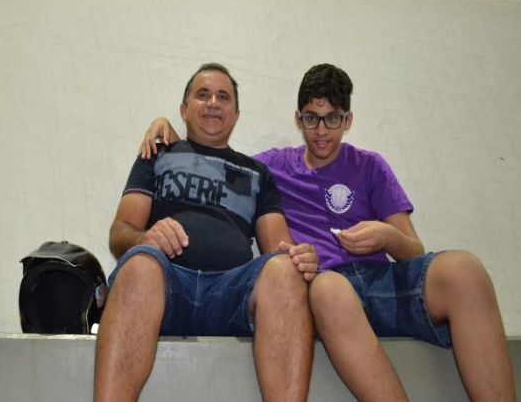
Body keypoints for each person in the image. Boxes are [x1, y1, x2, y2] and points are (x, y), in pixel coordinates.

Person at [139, 63, 516, 402]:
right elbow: (217, 158)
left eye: (332, 119)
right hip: (326, 289)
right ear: (298, 119)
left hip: (381, 282)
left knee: (464, 269)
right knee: (328, 289)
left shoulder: (370, 166)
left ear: (348, 120)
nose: (321, 131)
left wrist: (387, 237)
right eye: (311, 119)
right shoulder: (269, 168)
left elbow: (413, 251)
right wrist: (166, 128)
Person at [94, 63, 318, 402]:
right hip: (166, 285)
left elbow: (279, 248)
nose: (213, 102)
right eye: (202, 95)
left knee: (286, 271)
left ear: (236, 114)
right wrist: (144, 239)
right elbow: (120, 233)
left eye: (223, 97)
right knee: (139, 264)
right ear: (184, 109)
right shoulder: (157, 155)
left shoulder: (257, 173)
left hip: (231, 295)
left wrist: (300, 257)